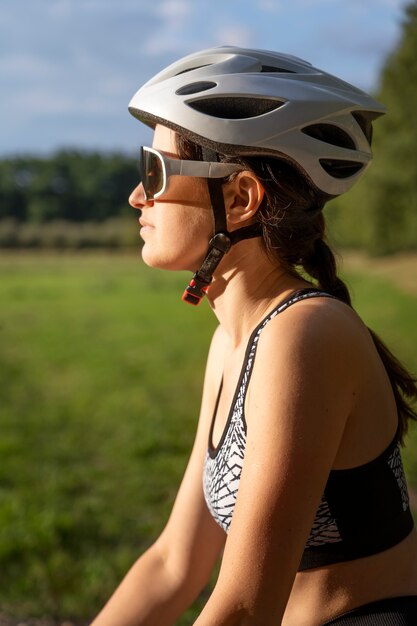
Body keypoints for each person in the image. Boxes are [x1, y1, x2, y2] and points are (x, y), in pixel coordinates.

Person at [91, 46, 417, 625]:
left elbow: (244, 609)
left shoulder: (305, 335)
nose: (137, 196)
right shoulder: (234, 339)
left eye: (155, 171)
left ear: (240, 198)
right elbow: (173, 564)